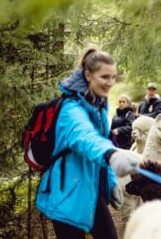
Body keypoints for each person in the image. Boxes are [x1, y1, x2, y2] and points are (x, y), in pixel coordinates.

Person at [35, 46, 139, 239]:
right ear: (88, 75)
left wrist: (110, 182)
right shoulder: (70, 109)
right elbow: (86, 139)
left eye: (113, 77)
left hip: (90, 190)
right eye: (104, 77)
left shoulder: (98, 107)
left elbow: (101, 144)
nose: (110, 83)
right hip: (66, 193)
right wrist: (112, 154)